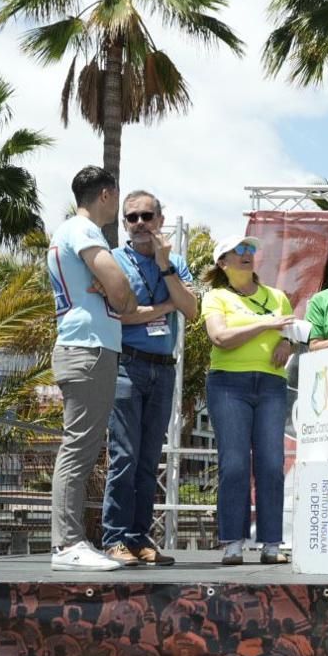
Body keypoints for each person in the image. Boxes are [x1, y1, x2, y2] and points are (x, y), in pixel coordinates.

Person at [46, 165, 138, 571]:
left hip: (85, 348)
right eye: (116, 197)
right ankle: (67, 544)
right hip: (87, 349)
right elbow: (121, 291)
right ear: (107, 194)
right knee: (78, 449)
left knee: (80, 447)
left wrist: (116, 292)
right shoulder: (83, 230)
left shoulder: (69, 231)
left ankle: (70, 543)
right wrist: (121, 294)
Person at [101, 190, 195, 566]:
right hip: (127, 365)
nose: (139, 224)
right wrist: (165, 306)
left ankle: (139, 538)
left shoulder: (174, 262)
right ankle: (114, 538)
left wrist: (165, 265)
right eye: (132, 217)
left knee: (148, 458)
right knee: (124, 455)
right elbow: (118, 315)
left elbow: (191, 310)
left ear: (160, 220)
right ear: (124, 223)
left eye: (146, 216)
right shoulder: (113, 262)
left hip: (163, 369)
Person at [201, 235, 295, 566]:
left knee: (271, 464)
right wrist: (265, 323)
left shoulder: (278, 297)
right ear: (222, 262)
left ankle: (271, 543)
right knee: (235, 463)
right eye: (238, 250)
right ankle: (232, 542)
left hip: (271, 385)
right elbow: (220, 338)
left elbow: (289, 332)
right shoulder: (215, 297)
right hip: (228, 384)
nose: (247, 254)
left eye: (251, 249)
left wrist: (287, 343)